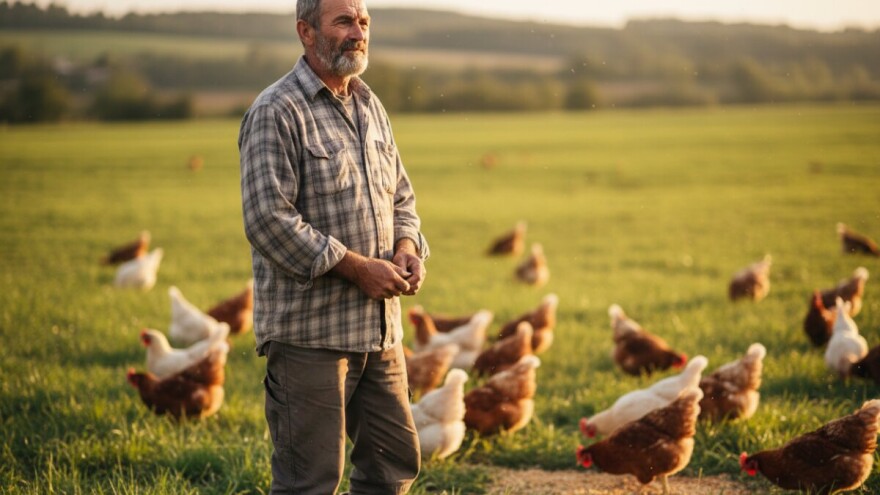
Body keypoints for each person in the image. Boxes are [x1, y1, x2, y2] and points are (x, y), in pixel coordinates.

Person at [238, 0, 429, 493]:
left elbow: (401, 196)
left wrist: (407, 244)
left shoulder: (370, 105)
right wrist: (356, 267)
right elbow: (268, 220)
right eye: (343, 20)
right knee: (311, 481)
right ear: (305, 31)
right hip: (310, 337)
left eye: (363, 21)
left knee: (392, 468)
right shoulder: (277, 110)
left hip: (380, 333)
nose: (358, 31)